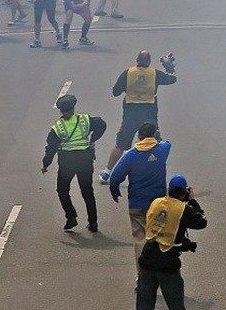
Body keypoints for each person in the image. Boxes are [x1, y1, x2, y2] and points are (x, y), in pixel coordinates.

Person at [100, 51, 177, 182]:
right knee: (156, 144)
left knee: (121, 144)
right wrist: (170, 67)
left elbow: (115, 92)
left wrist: (128, 87)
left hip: (131, 113)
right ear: (149, 61)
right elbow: (172, 79)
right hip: (149, 113)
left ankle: (107, 173)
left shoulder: (128, 73)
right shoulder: (155, 73)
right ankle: (158, 173)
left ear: (137, 60)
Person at [136, 175, 207, 310]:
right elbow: (201, 222)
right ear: (184, 192)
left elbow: (164, 228)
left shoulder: (156, 202)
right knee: (175, 305)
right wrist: (192, 201)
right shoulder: (183, 209)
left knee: (144, 305)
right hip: (168, 264)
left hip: (147, 260)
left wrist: (185, 243)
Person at [41, 94, 107, 232]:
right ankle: (93, 223)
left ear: (60, 110)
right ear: (73, 107)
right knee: (87, 192)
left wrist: (46, 164)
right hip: (85, 160)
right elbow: (101, 124)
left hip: (67, 162)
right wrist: (93, 139)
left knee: (62, 190)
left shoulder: (57, 127)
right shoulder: (85, 119)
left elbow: (51, 148)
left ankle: (71, 217)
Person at [109, 122, 172, 256]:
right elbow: (167, 143)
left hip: (137, 204)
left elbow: (115, 177)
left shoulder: (130, 155)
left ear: (138, 136)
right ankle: (160, 270)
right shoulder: (163, 149)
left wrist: (115, 191)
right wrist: (157, 137)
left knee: (139, 238)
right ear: (154, 135)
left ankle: (142, 273)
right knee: (159, 236)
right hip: (159, 203)